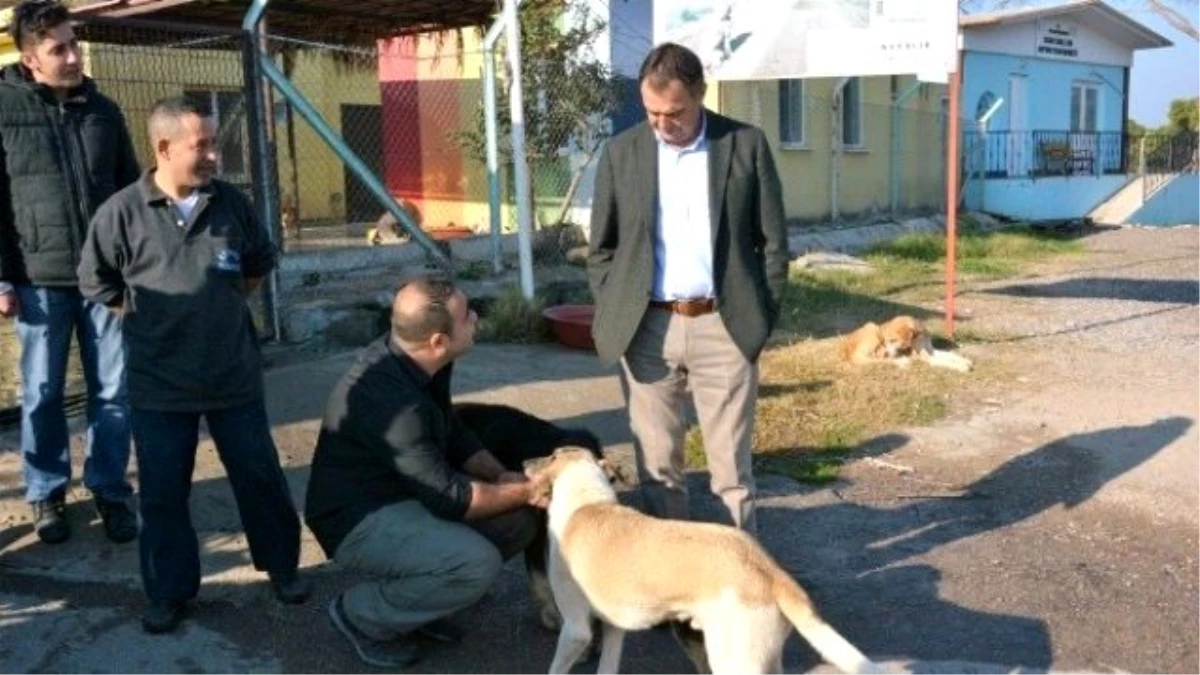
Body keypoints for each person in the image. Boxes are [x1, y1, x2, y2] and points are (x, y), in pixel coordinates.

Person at [77, 96, 308, 634]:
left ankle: (283, 568)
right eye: (200, 145)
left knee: (260, 477)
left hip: (233, 375)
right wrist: (143, 314)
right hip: (160, 385)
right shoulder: (121, 213)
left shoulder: (231, 204)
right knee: (162, 494)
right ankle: (169, 592)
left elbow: (255, 266)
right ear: (163, 148)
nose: (213, 155)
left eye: (213, 143)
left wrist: (219, 312)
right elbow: (96, 279)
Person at [586, 42, 789, 534]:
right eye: (652, 112)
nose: (662, 124)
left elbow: (775, 244)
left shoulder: (744, 144)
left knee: (731, 476)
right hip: (647, 328)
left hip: (725, 326)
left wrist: (759, 317)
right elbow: (602, 248)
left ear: (699, 93)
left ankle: (738, 592)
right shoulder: (622, 152)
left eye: (673, 112)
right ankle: (673, 594)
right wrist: (617, 307)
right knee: (658, 473)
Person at [305, 274, 546, 669]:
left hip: (402, 495)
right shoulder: (395, 404)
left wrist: (501, 475)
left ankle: (420, 604)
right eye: (468, 316)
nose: (476, 320)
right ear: (438, 340)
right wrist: (534, 487)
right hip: (356, 520)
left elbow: (450, 428)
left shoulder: (418, 359)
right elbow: (453, 500)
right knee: (475, 562)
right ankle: (360, 615)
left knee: (516, 520)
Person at [0, 0, 140, 545]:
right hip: (37, 278)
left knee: (114, 390)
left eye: (74, 43)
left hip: (104, 280)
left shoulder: (101, 110)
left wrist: (134, 263)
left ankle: (110, 488)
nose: (74, 55)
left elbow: (131, 191)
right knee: (41, 391)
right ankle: (46, 492)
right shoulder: (3, 108)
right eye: (59, 48)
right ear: (31, 58)